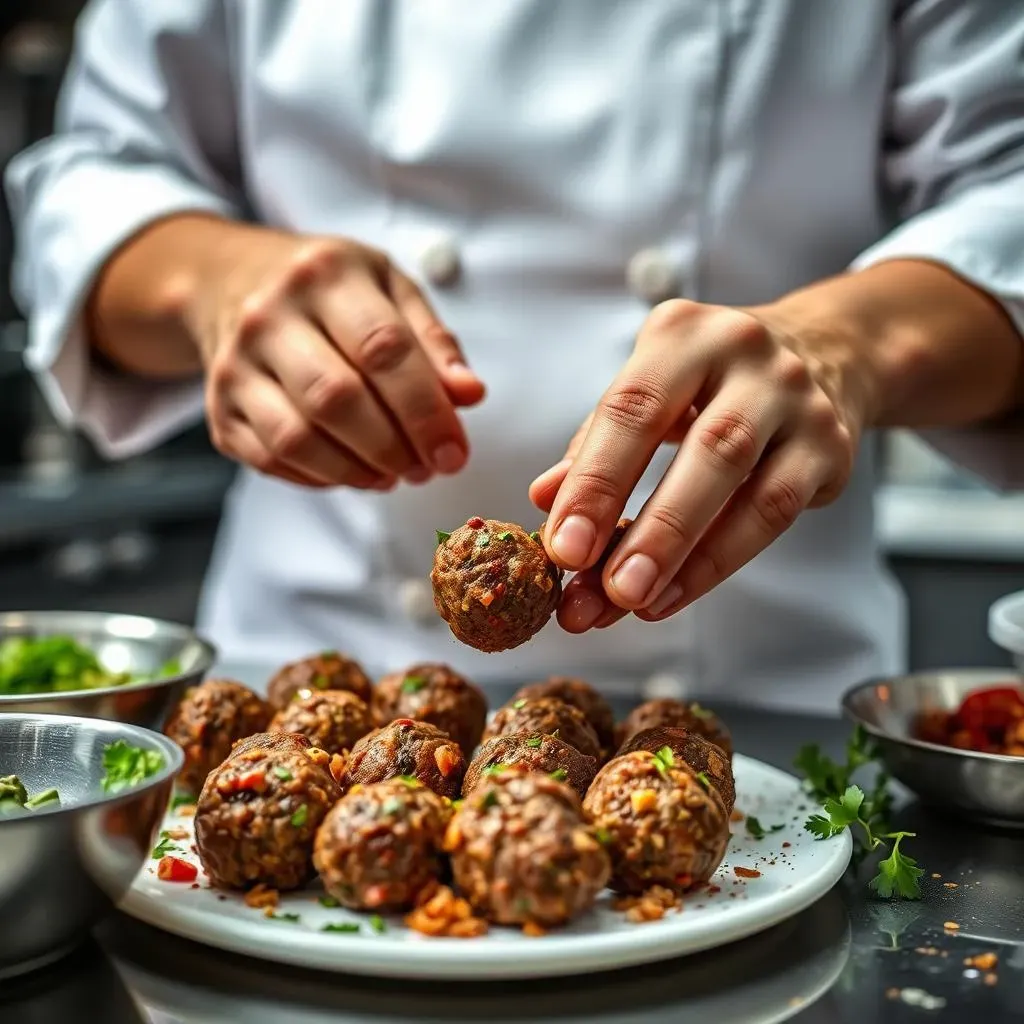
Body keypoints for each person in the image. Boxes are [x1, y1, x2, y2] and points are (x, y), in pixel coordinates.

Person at [6, 1, 1024, 713]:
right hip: (311, 660)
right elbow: (91, 177)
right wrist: (214, 281)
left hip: (766, 692)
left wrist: (842, 344)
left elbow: (1006, 190)